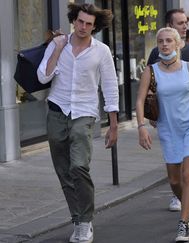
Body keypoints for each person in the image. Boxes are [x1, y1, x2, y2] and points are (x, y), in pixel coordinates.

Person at [37, 3, 118, 243]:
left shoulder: (101, 51)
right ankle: (77, 219)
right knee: (63, 171)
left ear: (95, 26)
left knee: (79, 167)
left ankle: (85, 221)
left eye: (88, 24)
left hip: (84, 113)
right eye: (80, 21)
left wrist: (113, 125)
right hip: (57, 111)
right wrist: (57, 49)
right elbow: (43, 76)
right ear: (74, 20)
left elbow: (111, 87)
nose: (83, 27)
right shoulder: (57, 44)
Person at [136, 27, 189, 242]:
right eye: (161, 41)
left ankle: (183, 223)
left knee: (187, 175)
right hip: (168, 130)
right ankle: (188, 203)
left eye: (168, 41)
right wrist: (141, 127)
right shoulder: (151, 71)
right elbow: (139, 101)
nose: (164, 44)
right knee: (175, 180)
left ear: (177, 44)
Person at [147, 9, 189, 214]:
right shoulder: (157, 54)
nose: (184, 27)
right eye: (180, 23)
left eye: (185, 23)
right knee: (176, 168)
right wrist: (150, 113)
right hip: (168, 120)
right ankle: (179, 195)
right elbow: (151, 86)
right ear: (170, 25)